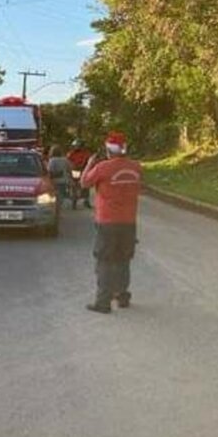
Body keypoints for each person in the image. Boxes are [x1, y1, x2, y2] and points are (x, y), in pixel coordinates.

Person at [81, 132, 143, 314]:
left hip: (107, 222)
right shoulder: (136, 167)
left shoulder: (102, 168)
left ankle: (103, 302)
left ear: (108, 150)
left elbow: (84, 183)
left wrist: (89, 164)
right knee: (123, 259)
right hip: (129, 221)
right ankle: (122, 295)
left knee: (104, 261)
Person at [67, 139, 93, 207]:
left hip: (83, 170)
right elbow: (68, 161)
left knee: (86, 185)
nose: (77, 147)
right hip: (75, 170)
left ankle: (86, 200)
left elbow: (89, 160)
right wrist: (71, 166)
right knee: (74, 185)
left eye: (78, 145)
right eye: (75, 146)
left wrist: (86, 165)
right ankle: (74, 200)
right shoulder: (71, 153)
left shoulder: (86, 153)